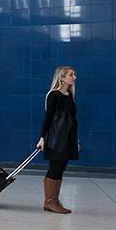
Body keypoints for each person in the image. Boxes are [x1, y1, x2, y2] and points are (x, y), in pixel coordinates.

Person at [37, 66, 79, 214]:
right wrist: (42, 138)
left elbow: (72, 122)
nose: (74, 77)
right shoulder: (54, 95)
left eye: (74, 74)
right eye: (70, 75)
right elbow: (48, 118)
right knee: (54, 169)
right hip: (56, 139)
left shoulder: (69, 95)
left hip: (68, 139)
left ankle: (54, 201)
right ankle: (49, 202)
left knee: (61, 170)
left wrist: (76, 141)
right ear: (62, 78)